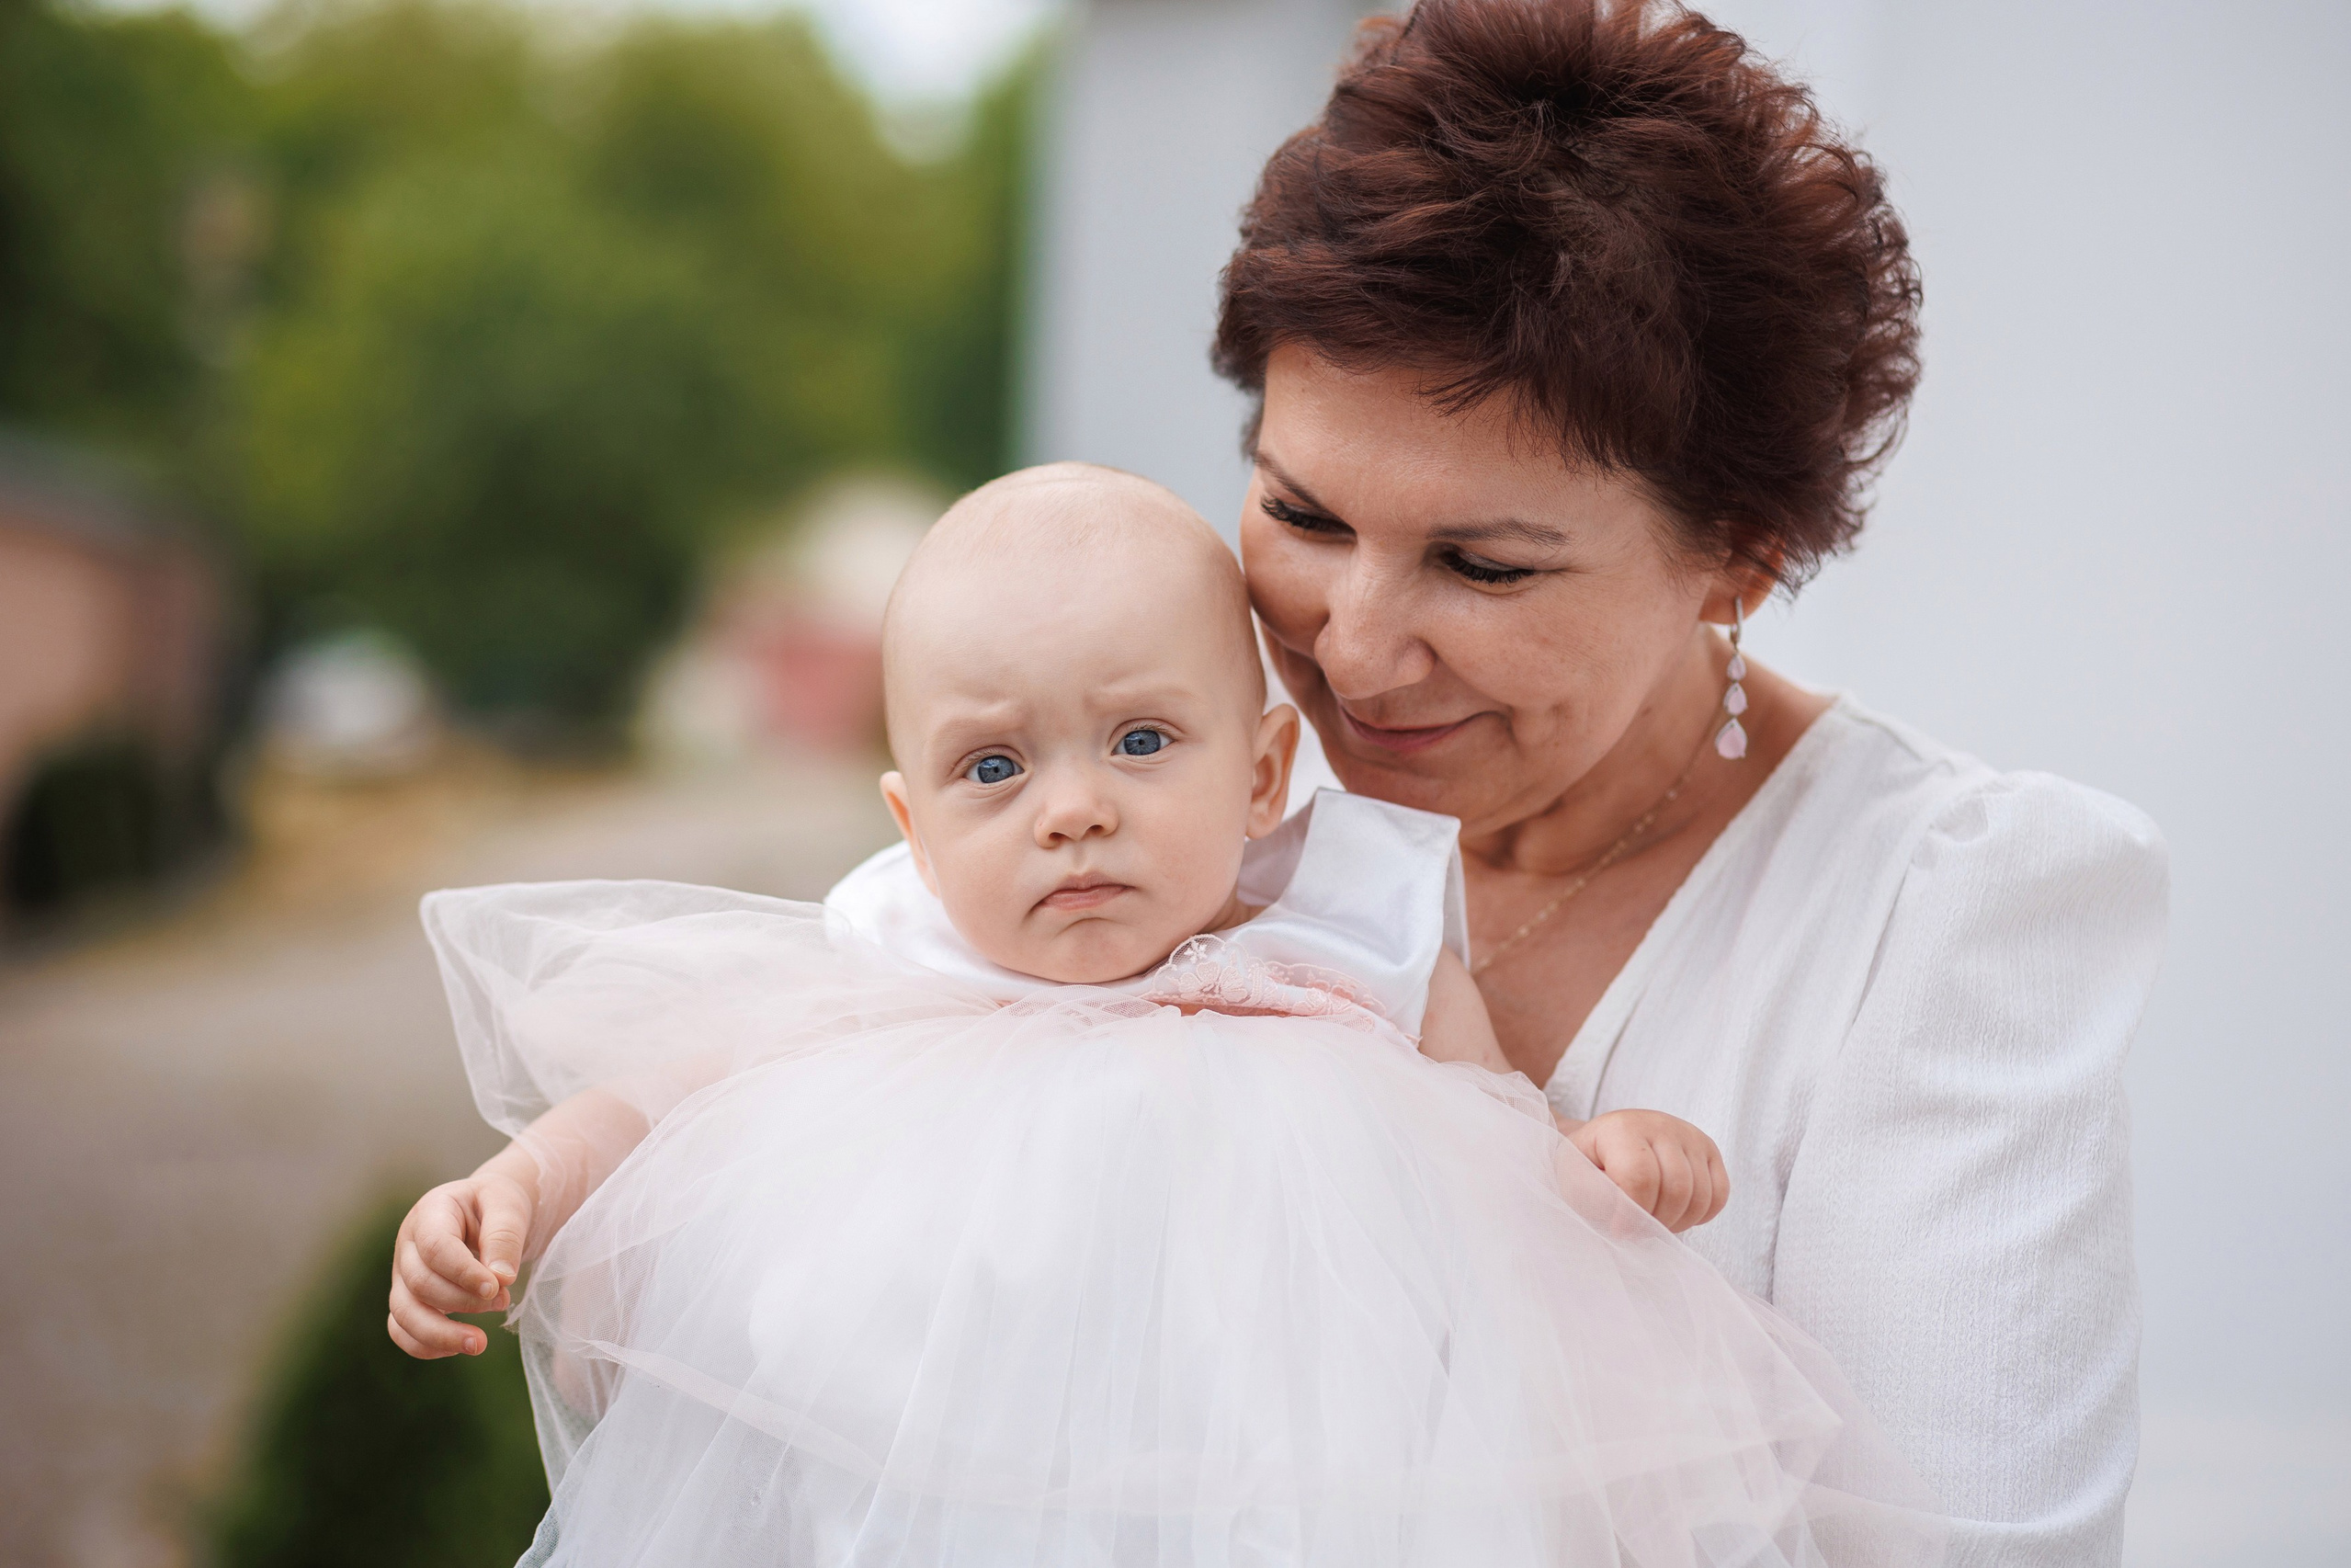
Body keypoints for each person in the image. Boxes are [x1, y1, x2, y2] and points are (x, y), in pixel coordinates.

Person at [391, 464, 1943, 1566]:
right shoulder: (898, 941)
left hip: (1299, 1476)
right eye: (993, 767)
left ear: (1262, 773)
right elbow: (670, 1088)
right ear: (912, 822)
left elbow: (1495, 1120)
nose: (1070, 811)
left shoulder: (1354, 918)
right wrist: (516, 1185)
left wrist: (1603, 1156)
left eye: (1139, 740)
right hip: (955, 1476)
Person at [1210, 5, 2168, 1565]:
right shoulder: (1166, 783)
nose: (1356, 654)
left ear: (1736, 562)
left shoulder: (1939, 913)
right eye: (1302, 515)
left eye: (1484, 563)